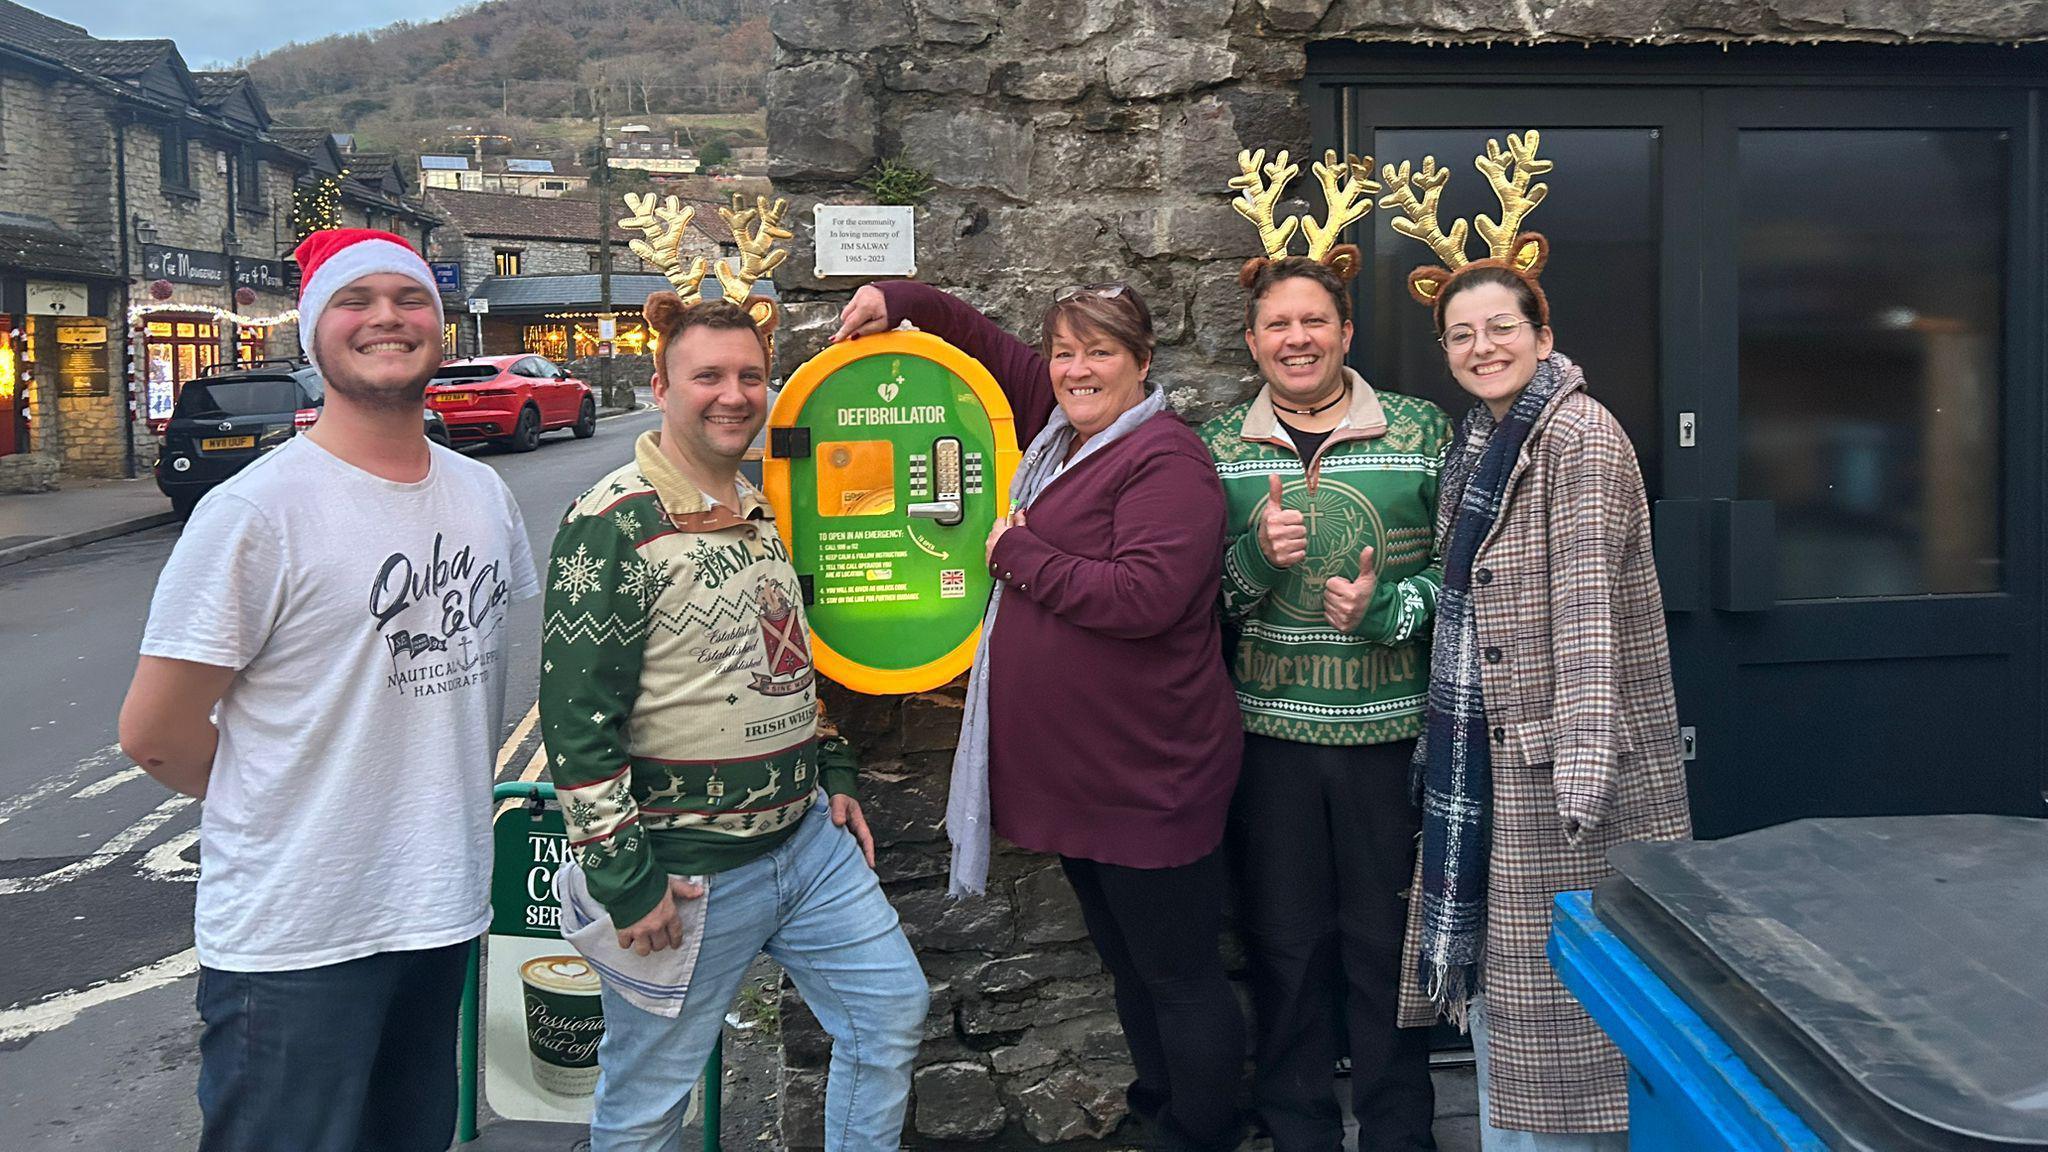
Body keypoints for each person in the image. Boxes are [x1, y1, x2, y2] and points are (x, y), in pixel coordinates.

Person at [117, 228, 540, 1152]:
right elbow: (156, 733)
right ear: (313, 332)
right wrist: (298, 797)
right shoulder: (257, 512)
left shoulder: (482, 496)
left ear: (439, 321)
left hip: (440, 908)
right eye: (357, 300)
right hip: (297, 935)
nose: (386, 317)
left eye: (410, 297)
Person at [830, 278, 1249, 1152]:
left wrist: (1017, 552)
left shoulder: (1166, 460)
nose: (1076, 369)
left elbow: (1148, 595)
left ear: (1141, 364)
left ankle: (1201, 1131)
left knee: (1176, 975)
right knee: (1129, 965)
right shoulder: (1062, 433)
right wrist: (895, 295)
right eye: (1065, 350)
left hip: (1150, 774)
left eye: (1100, 351)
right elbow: (984, 341)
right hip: (1088, 778)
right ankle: (1157, 1106)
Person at [539, 234, 928, 1151]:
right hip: (687, 872)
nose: (734, 395)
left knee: (890, 1013)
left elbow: (786, 661)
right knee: (646, 1103)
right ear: (661, 388)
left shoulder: (760, 512)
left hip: (807, 848)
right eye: (708, 375)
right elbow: (575, 722)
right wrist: (626, 883)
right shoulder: (612, 523)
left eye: (751, 376)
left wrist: (833, 764)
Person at [1380, 132, 1692, 1149]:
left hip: (1561, 779)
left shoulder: (1577, 435)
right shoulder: (1486, 438)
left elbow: (1587, 619)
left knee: (1573, 1022)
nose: (1480, 347)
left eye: (1498, 328)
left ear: (1539, 328)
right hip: (1496, 766)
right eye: (1459, 335)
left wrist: (1579, 788)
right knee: (1519, 1012)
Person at [1202, 149, 1454, 1152]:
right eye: (1276, 325)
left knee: (1383, 947)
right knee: (1282, 947)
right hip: (1267, 735)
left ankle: (1400, 1132)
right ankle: (1299, 1124)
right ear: (1254, 340)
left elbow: (1469, 583)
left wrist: (1389, 607)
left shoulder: (1421, 431)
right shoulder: (1218, 446)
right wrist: (1257, 562)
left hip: (1388, 733)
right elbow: (1203, 602)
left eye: (1313, 321)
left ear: (1345, 331)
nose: (1295, 338)